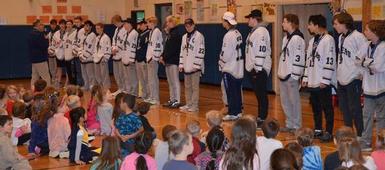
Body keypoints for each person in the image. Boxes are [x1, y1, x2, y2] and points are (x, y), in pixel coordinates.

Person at [302, 14, 336, 142]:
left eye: (310, 24)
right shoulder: (312, 41)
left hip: (322, 79)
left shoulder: (328, 39)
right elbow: (309, 60)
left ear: (316, 25)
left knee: (327, 107)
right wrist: (305, 77)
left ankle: (328, 131)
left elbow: (330, 60)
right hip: (312, 78)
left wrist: (326, 79)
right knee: (315, 106)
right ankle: (318, 129)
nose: (308, 27)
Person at [333, 12, 366, 138]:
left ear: (344, 23)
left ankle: (361, 134)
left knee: (355, 108)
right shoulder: (341, 37)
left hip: (353, 78)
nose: (335, 26)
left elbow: (363, 56)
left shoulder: (358, 37)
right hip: (342, 78)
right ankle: (348, 133)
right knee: (344, 108)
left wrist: (361, 74)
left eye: (336, 24)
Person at [278, 14, 305, 133]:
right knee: (285, 101)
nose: (282, 24)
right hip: (283, 74)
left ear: (291, 23)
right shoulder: (286, 38)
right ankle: (289, 123)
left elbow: (299, 58)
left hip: (292, 75)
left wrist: (295, 74)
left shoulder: (297, 38)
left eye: (284, 22)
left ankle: (297, 125)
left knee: (294, 101)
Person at [360, 20, 385, 152]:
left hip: (382, 87)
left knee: (382, 117)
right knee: (367, 116)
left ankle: (381, 143)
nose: (365, 32)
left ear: (375, 32)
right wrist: (368, 62)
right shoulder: (366, 45)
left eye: (367, 30)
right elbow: (357, 60)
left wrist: (365, 62)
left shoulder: (383, 47)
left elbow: (378, 67)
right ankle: (366, 142)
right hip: (369, 87)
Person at [244, 9, 271, 126]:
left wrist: (258, 68)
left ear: (255, 19)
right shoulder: (254, 31)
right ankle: (260, 116)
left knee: (261, 94)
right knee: (259, 94)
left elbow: (261, 50)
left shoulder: (261, 31)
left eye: (249, 18)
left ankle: (262, 118)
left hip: (259, 68)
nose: (248, 20)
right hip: (254, 68)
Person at [220, 12, 244, 121]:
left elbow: (226, 54)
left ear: (227, 22)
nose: (222, 23)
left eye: (223, 20)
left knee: (230, 91)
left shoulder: (228, 35)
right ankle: (238, 111)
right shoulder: (238, 33)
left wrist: (221, 63)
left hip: (230, 68)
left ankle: (233, 112)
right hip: (238, 68)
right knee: (237, 91)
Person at [179, 18, 205, 113]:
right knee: (187, 87)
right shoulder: (184, 37)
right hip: (186, 65)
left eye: (189, 25)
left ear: (193, 25)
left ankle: (194, 105)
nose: (188, 27)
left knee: (195, 87)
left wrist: (196, 65)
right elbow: (182, 52)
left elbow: (201, 51)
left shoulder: (199, 36)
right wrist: (181, 64)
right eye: (186, 26)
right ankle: (188, 103)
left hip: (195, 67)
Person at [162, 15, 182, 108]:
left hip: (173, 61)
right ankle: (172, 98)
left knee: (175, 81)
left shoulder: (176, 34)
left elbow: (173, 49)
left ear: (172, 23)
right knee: (170, 82)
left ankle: (177, 100)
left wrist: (164, 57)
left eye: (168, 22)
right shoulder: (170, 34)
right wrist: (163, 56)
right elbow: (166, 48)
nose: (167, 24)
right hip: (168, 61)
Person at [145, 16, 163, 105]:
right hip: (149, 58)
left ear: (152, 23)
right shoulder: (151, 32)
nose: (147, 24)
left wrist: (154, 57)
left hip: (153, 59)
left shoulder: (157, 32)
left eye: (148, 22)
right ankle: (152, 96)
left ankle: (156, 98)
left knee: (153, 79)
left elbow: (158, 45)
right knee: (150, 79)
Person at [28, 19, 50, 88]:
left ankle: (32, 91)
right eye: (42, 24)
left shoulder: (30, 33)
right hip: (41, 59)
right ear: (38, 25)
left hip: (34, 59)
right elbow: (44, 46)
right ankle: (49, 92)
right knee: (46, 78)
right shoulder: (39, 34)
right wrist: (46, 39)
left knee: (34, 77)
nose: (43, 26)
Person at [122, 18, 139, 96]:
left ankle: (134, 92)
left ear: (129, 24)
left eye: (125, 24)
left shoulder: (134, 33)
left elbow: (134, 47)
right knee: (127, 76)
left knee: (133, 77)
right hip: (125, 58)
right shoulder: (126, 33)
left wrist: (131, 58)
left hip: (130, 59)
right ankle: (129, 90)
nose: (124, 25)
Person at [78, 20, 97, 91]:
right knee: (84, 74)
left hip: (89, 58)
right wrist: (80, 54)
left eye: (88, 26)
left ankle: (92, 87)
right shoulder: (83, 35)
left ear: (91, 27)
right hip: (82, 58)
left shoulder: (93, 35)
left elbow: (91, 48)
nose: (86, 27)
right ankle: (86, 86)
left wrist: (84, 56)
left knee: (91, 75)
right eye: (85, 26)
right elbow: (80, 46)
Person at [111, 15, 127, 95]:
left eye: (115, 22)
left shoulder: (124, 29)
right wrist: (113, 48)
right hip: (115, 54)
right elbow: (114, 40)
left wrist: (116, 48)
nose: (114, 24)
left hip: (121, 54)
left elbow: (123, 42)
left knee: (122, 73)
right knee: (116, 73)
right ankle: (120, 88)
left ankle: (124, 88)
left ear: (118, 21)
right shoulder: (116, 29)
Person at [93, 23, 112, 89]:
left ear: (102, 28)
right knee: (97, 75)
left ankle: (106, 88)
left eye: (98, 28)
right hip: (96, 58)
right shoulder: (97, 37)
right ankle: (101, 87)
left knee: (104, 75)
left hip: (103, 58)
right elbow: (95, 48)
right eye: (96, 28)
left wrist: (105, 58)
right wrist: (94, 56)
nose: (96, 30)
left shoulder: (106, 37)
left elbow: (108, 48)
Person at [136, 20, 150, 100]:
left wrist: (145, 59)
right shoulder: (140, 34)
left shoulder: (148, 34)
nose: (139, 26)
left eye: (141, 25)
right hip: (138, 59)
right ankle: (143, 94)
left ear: (145, 24)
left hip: (143, 60)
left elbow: (146, 48)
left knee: (146, 79)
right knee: (141, 79)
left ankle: (148, 94)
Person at [52, 19, 67, 87]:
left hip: (66, 53)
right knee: (59, 68)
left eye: (63, 24)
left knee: (67, 68)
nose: (62, 25)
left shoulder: (68, 32)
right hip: (59, 53)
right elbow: (53, 43)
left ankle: (67, 82)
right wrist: (55, 50)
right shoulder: (56, 33)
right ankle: (58, 81)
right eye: (61, 24)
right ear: (59, 25)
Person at [64, 20, 78, 85]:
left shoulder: (75, 33)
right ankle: (71, 86)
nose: (68, 25)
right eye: (67, 24)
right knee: (68, 72)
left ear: (72, 25)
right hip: (66, 56)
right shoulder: (65, 34)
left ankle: (74, 86)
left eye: (70, 24)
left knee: (73, 73)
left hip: (72, 56)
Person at [72, 16, 85, 86]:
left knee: (81, 70)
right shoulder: (76, 30)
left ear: (81, 22)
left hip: (81, 53)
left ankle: (83, 84)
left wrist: (77, 51)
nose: (76, 23)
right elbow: (75, 41)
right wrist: (73, 50)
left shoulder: (83, 30)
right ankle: (79, 84)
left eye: (78, 22)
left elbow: (81, 43)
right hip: (76, 53)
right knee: (77, 70)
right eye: (75, 22)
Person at [47, 19, 59, 87]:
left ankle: (57, 80)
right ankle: (53, 78)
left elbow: (58, 43)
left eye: (54, 24)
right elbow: (49, 42)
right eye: (51, 24)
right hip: (50, 52)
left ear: (56, 25)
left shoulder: (58, 33)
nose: (53, 26)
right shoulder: (50, 33)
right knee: (51, 67)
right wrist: (49, 49)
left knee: (56, 67)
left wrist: (55, 50)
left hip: (56, 52)